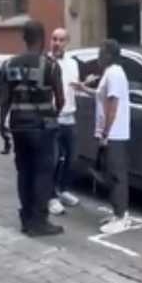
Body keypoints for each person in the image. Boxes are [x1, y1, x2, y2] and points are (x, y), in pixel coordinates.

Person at [0, 20, 65, 236]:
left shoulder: (9, 65)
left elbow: (4, 100)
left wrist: (2, 126)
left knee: (24, 171)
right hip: (42, 127)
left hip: (18, 126)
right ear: (43, 38)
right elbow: (61, 99)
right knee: (43, 173)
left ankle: (26, 218)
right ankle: (39, 222)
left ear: (24, 39)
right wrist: (53, 113)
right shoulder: (51, 66)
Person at [79, 39, 131, 233]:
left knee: (117, 175)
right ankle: (118, 212)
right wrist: (84, 89)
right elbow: (102, 96)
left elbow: (113, 105)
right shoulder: (109, 73)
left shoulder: (115, 73)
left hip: (115, 133)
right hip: (111, 132)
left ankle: (121, 217)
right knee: (110, 173)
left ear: (109, 54)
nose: (98, 56)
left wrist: (105, 133)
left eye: (101, 53)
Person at [47, 28, 96, 216]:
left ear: (67, 42)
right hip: (52, 117)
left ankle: (63, 189)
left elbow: (74, 88)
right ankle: (51, 196)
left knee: (72, 156)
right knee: (53, 158)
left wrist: (85, 85)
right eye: (54, 39)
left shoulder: (72, 64)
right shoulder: (46, 62)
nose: (57, 43)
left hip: (69, 117)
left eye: (61, 40)